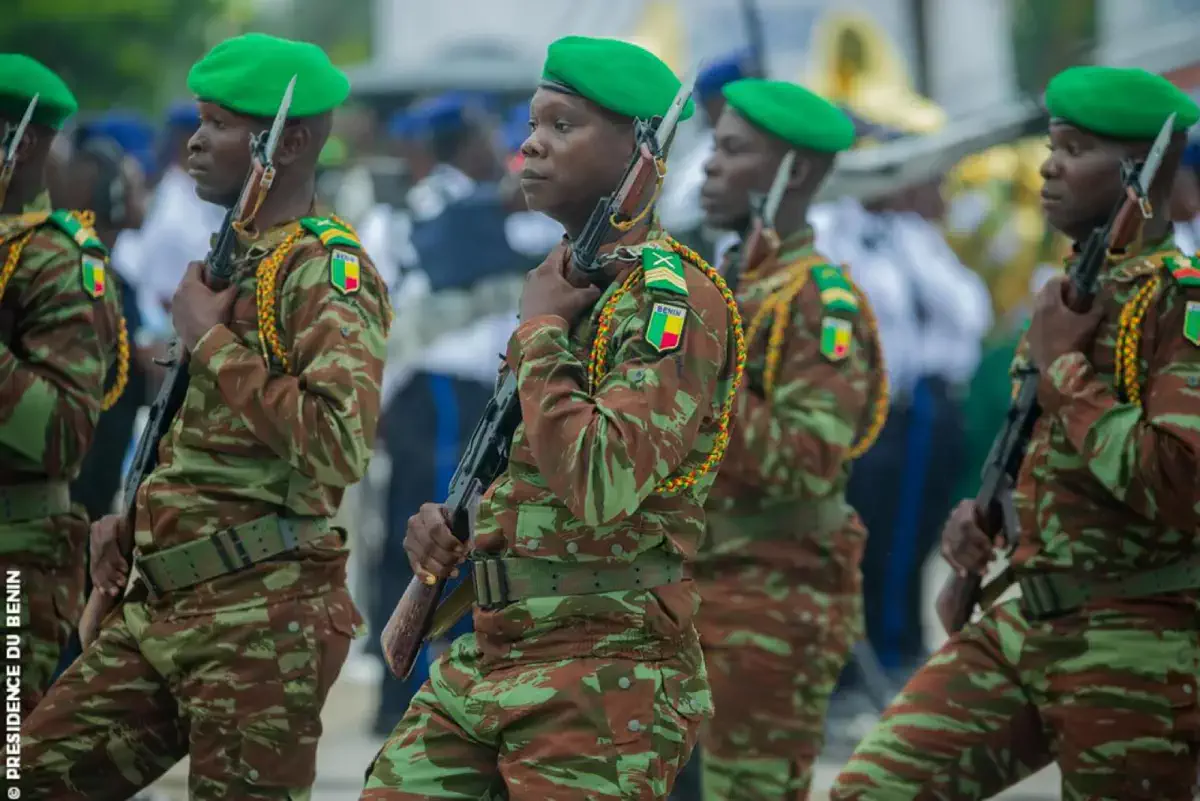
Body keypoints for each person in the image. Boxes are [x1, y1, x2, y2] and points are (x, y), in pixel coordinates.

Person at [361, 35, 744, 800]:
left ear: (641, 153)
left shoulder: (672, 302)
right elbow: (532, 469)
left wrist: (538, 332)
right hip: (495, 652)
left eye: (563, 126)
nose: (530, 143)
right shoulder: (565, 280)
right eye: (533, 122)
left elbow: (600, 480)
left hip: (604, 670)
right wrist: (457, 525)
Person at [20, 33, 391, 800]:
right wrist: (135, 519)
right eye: (199, 120)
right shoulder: (236, 257)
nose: (193, 141)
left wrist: (210, 339)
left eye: (218, 124)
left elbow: (339, 443)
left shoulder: (326, 269)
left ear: (284, 142)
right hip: (166, 605)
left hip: (262, 619)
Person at [831, 65, 1200, 801]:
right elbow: (1045, 457)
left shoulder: (1179, 307)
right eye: (1052, 143)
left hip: (1137, 644)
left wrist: (1063, 365)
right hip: (1025, 621)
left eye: (1074, 147)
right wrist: (986, 526)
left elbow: (1178, 481)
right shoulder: (1067, 293)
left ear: (1140, 171)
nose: (1048, 164)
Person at [689, 78, 886, 800]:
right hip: (697, 588)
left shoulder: (817, 299)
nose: (709, 165)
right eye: (713, 146)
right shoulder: (730, 281)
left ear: (794, 171)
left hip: (772, 602)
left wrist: (698, 372)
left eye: (733, 150)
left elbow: (809, 459)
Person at [0, 54, 127, 715]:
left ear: (17, 143)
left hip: (15, 557)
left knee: (12, 768)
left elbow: (61, 435)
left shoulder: (58, 260)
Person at [61, 133, 149, 521]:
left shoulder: (115, 281)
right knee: (19, 586)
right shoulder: (82, 281)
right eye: (134, 188)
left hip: (95, 492)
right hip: (71, 497)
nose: (144, 198)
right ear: (111, 198)